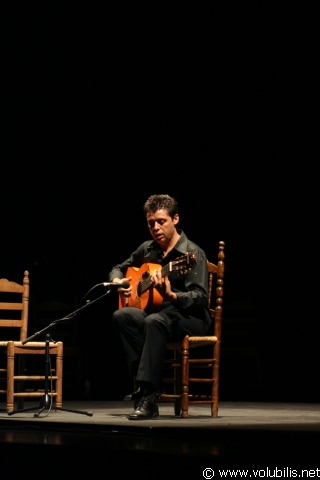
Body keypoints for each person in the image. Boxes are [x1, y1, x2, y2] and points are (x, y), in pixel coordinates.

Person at [109, 194, 212, 420]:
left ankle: (147, 396)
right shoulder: (148, 249)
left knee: (153, 321)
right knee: (122, 315)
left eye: (161, 221)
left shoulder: (191, 254)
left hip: (191, 318)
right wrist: (120, 282)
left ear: (175, 219)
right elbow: (118, 267)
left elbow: (201, 297)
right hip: (160, 316)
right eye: (150, 223)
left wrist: (172, 294)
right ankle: (144, 385)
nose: (155, 228)